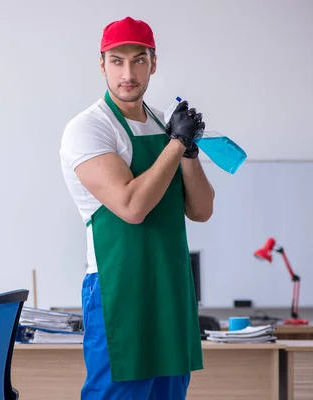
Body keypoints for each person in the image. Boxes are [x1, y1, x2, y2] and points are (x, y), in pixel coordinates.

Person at [59, 16, 216, 400]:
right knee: (116, 394)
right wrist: (176, 145)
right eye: (117, 61)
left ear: (153, 63)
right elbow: (131, 206)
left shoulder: (165, 125)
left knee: (170, 394)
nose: (128, 73)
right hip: (119, 287)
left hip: (171, 286)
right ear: (102, 65)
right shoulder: (90, 128)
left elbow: (201, 209)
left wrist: (189, 149)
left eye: (138, 60)